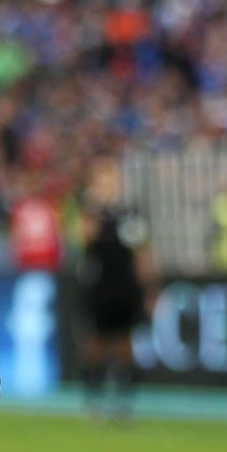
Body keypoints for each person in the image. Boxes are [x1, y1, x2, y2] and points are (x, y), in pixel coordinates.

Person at [74, 159, 151, 423]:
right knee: (94, 344)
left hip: (125, 287)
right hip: (99, 287)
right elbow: (86, 239)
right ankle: (93, 401)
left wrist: (150, 289)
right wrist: (96, 207)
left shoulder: (130, 215)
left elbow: (142, 253)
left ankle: (123, 402)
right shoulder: (90, 212)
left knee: (125, 344)